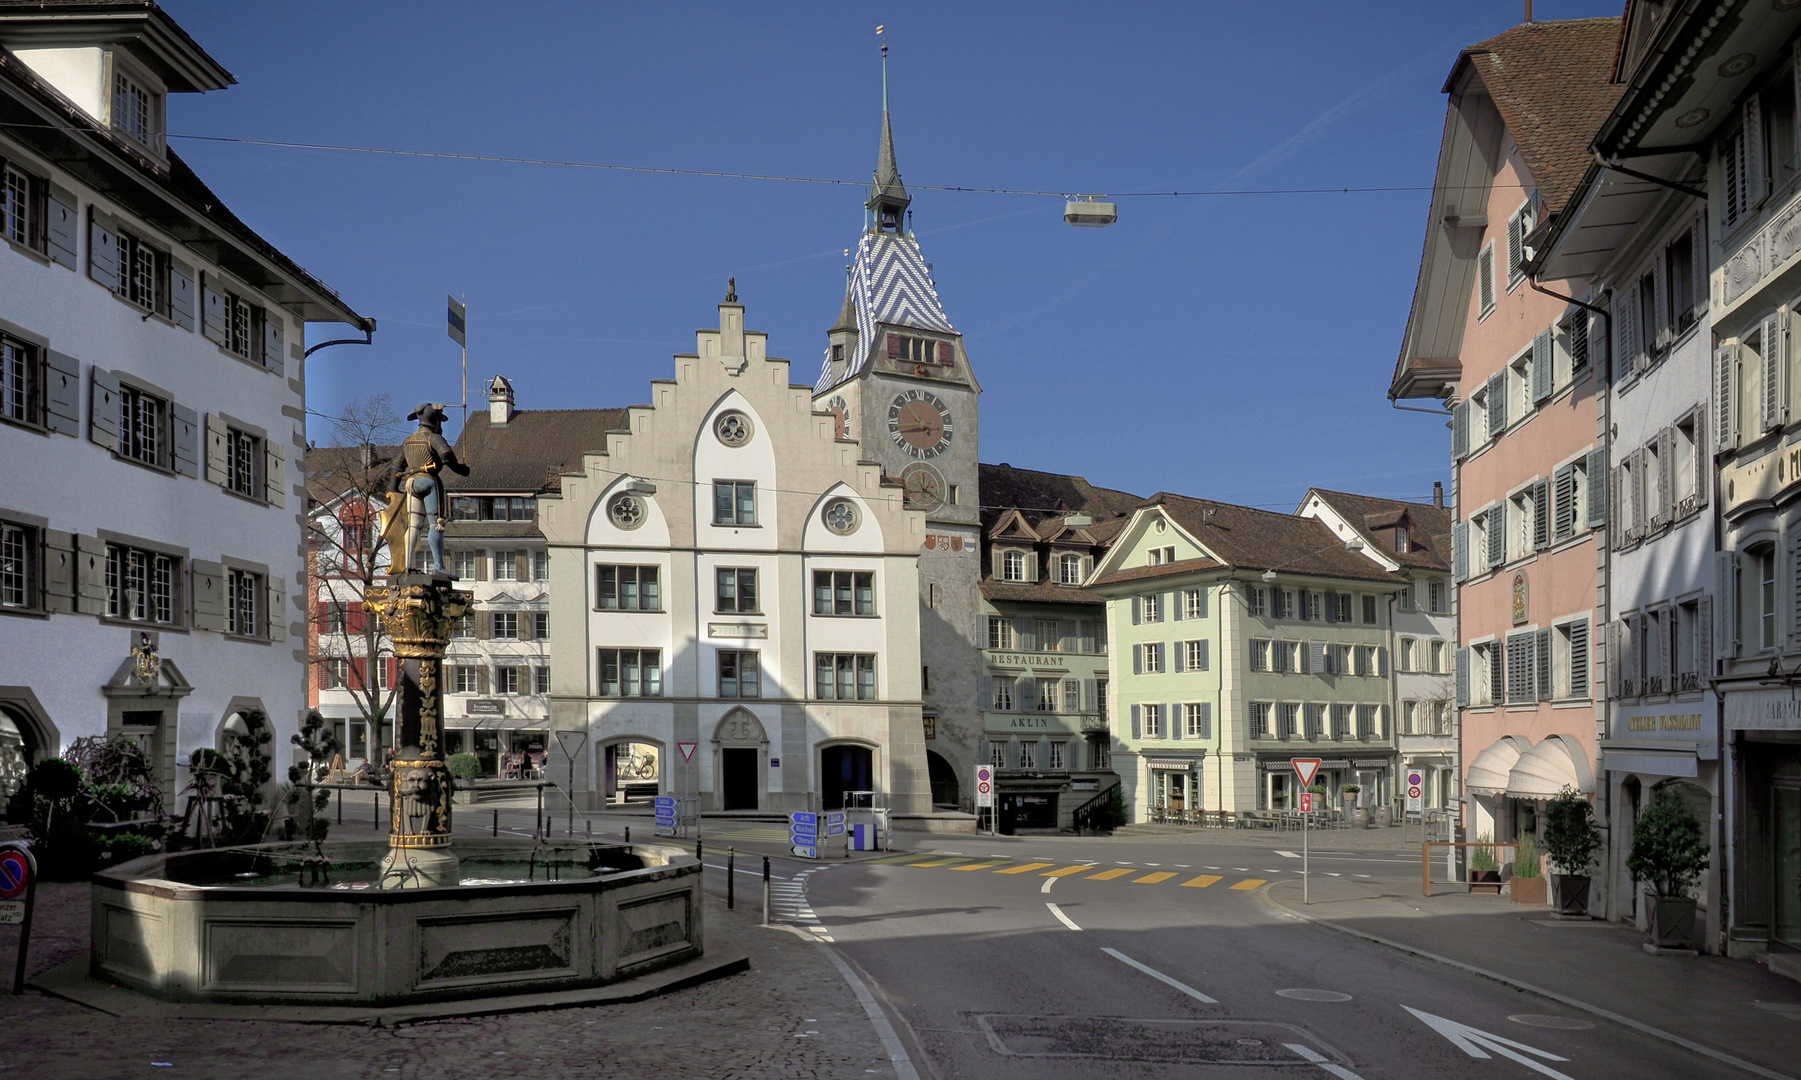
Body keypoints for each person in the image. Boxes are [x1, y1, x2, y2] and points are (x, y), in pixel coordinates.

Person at [382, 402, 470, 574]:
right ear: (436, 422)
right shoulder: (434, 438)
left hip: (410, 484)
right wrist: (461, 469)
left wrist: (393, 489)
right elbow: (445, 454)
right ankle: (438, 565)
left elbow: (396, 466)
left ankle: (409, 565)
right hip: (429, 482)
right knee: (435, 524)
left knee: (413, 526)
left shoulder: (408, 441)